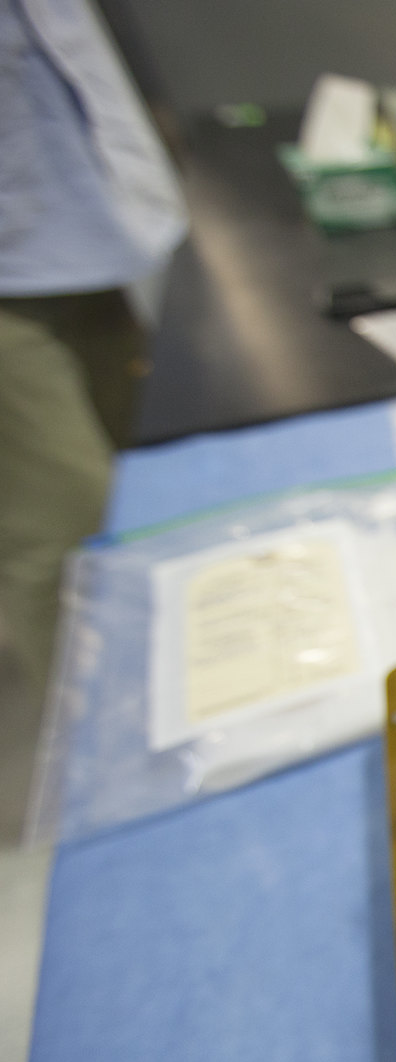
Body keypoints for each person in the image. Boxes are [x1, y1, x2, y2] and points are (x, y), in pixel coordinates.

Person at [0, 0, 184, 722]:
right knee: (62, 530)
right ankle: (95, 783)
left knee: (123, 499)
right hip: (19, 276)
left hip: (80, 244)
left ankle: (143, 705)